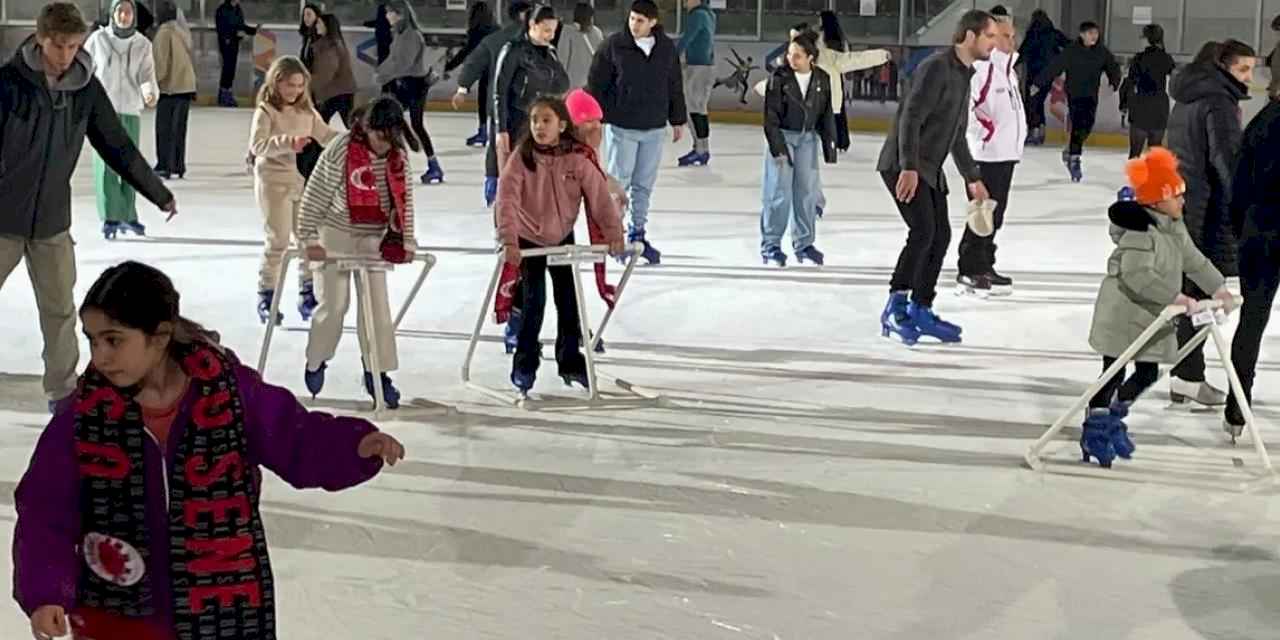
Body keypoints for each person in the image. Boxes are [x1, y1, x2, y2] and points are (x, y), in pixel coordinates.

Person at [15, 260, 405, 640]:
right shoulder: (85, 416)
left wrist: (353, 445)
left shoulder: (229, 393)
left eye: (114, 340)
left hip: (221, 604)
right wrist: (45, 591)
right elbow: (45, 508)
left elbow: (295, 436)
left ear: (160, 335)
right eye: (92, 340)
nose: (100, 357)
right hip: (117, 612)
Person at [0, 2, 174, 413]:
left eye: (73, 45)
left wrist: (156, 191)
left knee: (60, 312)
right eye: (58, 46)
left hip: (51, 223)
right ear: (41, 39)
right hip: (2, 218)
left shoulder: (85, 90)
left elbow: (116, 144)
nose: (65, 55)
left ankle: (62, 394)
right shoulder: (8, 84)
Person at [1082, 148, 1233, 467]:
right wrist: (1177, 298)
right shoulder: (1141, 231)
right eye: (1176, 196)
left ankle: (1114, 417)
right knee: (1112, 373)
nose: (1182, 202)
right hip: (1123, 316)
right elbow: (1138, 277)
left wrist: (1219, 286)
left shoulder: (1173, 226)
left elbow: (1193, 260)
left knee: (1148, 372)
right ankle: (1095, 429)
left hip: (1150, 317)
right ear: (1156, 200)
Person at [876, 10, 994, 346]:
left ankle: (920, 309)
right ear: (970, 35)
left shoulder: (963, 75)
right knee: (923, 231)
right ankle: (895, 308)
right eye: (989, 37)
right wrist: (909, 166)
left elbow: (956, 133)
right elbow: (910, 117)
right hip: (904, 163)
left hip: (928, 167)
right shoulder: (936, 68)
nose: (993, 45)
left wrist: (972, 176)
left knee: (940, 234)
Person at [495, 95, 625, 395]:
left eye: (546, 120)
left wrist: (613, 233)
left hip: (562, 240)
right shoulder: (521, 158)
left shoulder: (577, 159)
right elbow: (507, 201)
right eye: (535, 120)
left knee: (569, 304)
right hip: (529, 243)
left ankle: (570, 362)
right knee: (533, 305)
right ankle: (524, 365)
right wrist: (509, 240)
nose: (539, 126)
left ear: (562, 125)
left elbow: (600, 199)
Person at [297, 97, 419, 409]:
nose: (383, 145)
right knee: (334, 306)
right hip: (334, 234)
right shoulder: (341, 149)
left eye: (390, 137)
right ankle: (316, 359)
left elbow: (404, 204)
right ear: (367, 129)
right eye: (379, 137)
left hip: (374, 239)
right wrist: (310, 238)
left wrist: (406, 242)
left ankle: (377, 372)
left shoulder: (398, 158)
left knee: (377, 308)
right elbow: (315, 194)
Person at [1165, 38, 1255, 407]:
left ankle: (1186, 374)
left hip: (1185, 201)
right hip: (1206, 208)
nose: (1250, 77)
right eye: (1243, 69)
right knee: (1201, 293)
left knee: (1195, 292)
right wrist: (1244, 207)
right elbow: (1226, 159)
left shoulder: (1188, 96)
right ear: (1222, 66)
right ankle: (1187, 375)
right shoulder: (1219, 101)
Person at [587, 0, 687, 265]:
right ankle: (615, 238)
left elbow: (674, 83)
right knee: (620, 184)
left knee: (643, 186)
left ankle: (638, 234)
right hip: (622, 126)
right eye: (632, 18)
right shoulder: (613, 46)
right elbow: (596, 83)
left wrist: (678, 119)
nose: (634, 24)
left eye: (641, 20)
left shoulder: (666, 48)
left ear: (653, 22)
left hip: (654, 127)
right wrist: (595, 117)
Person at [249, 55, 336, 325]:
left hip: (301, 183)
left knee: (308, 239)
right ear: (277, 83)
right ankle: (267, 295)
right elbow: (257, 146)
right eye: (290, 85)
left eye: (299, 86)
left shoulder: (307, 113)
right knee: (278, 240)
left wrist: (352, 140)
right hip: (273, 183)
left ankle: (307, 292)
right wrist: (288, 142)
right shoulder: (266, 111)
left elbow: (327, 136)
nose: (295, 91)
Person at [955, 8, 1023, 297]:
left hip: (1005, 154)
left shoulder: (1008, 72)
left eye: (1012, 35)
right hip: (984, 154)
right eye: (1004, 36)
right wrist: (986, 131)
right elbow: (966, 109)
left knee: (996, 215)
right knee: (981, 215)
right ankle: (969, 268)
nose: (1011, 41)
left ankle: (985, 264)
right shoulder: (982, 70)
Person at [1224, 96, 1280, 439]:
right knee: (1252, 322)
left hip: (1258, 233)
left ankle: (1236, 408)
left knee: (1252, 321)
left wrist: (1238, 228)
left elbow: (1239, 181)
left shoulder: (1261, 122)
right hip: (1263, 231)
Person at [84, 0, 159, 240]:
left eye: (128, 11)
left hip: (130, 109)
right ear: (112, 13)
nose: (124, 16)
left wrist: (149, 91)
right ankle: (110, 215)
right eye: (120, 11)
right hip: (102, 111)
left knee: (130, 164)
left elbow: (147, 73)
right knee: (106, 165)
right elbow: (84, 68)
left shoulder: (142, 44)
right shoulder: (97, 40)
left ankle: (128, 213)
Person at [760, 31, 836, 268]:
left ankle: (804, 244)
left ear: (811, 58)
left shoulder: (822, 79)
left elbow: (826, 114)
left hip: (807, 140)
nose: (791, 59)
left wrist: (830, 145)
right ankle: (771, 246)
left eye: (798, 56)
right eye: (790, 54)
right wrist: (778, 148)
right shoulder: (779, 78)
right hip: (782, 137)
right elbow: (769, 116)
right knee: (778, 193)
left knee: (806, 193)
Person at [452, 2, 533, 207]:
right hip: (527, 106)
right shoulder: (533, 40)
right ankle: (524, 187)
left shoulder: (494, 39)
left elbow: (473, 63)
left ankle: (493, 183)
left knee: (496, 145)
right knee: (526, 146)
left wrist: (463, 89)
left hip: (498, 105)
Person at [1032, 21, 1121, 182]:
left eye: (1095, 33)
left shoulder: (1102, 52)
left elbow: (1113, 67)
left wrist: (1114, 82)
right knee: (1079, 125)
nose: (1093, 36)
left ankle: (1070, 151)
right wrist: (1038, 84)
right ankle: (1074, 158)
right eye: (1090, 33)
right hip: (1075, 94)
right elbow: (1054, 67)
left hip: (1091, 95)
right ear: (1082, 34)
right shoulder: (1071, 51)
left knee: (1087, 125)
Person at [493, 5, 570, 170]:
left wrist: (552, 60)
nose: (551, 36)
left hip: (541, 122)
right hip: (517, 120)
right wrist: (501, 129)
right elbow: (500, 92)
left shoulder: (549, 53)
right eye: (546, 30)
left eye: (554, 31)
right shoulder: (513, 50)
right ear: (533, 25)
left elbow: (563, 84)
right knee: (516, 172)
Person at [376, 0, 443, 185]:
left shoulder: (412, 36)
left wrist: (384, 76)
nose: (387, 16)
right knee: (391, 119)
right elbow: (392, 59)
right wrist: (381, 71)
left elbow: (404, 64)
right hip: (404, 83)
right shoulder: (399, 34)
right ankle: (397, 162)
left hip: (415, 84)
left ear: (401, 14)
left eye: (390, 13)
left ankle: (433, 165)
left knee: (415, 123)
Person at [443, 1, 499, 146]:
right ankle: (490, 132)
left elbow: (466, 52)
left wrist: (449, 66)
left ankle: (483, 131)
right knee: (497, 102)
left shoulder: (477, 32)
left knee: (483, 101)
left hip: (485, 70)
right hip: (500, 69)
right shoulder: (497, 29)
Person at [152, 0, 195, 181]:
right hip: (186, 86)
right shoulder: (181, 32)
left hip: (170, 87)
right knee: (179, 129)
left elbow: (160, 64)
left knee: (165, 128)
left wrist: (153, 85)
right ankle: (178, 164)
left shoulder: (163, 34)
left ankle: (164, 165)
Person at [1119, 24, 1175, 158]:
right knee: (1155, 151)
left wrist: (1124, 104)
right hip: (1159, 106)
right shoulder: (1166, 58)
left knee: (1135, 153)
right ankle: (1154, 178)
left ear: (1147, 39)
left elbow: (1129, 82)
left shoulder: (1139, 58)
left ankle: (1135, 178)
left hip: (1141, 106)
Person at [1018, 9, 1068, 145]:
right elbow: (1070, 45)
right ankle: (1040, 130)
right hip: (1048, 75)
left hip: (1034, 76)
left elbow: (1022, 52)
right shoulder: (1054, 34)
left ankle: (1035, 130)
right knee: (1038, 102)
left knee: (1032, 102)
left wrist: (1009, 65)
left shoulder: (1032, 35)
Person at [675, 0, 716, 166]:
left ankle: (701, 149)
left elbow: (687, 38)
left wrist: (674, 56)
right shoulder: (708, 14)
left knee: (695, 109)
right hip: (703, 65)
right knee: (697, 108)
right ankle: (701, 148)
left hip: (699, 67)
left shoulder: (698, 15)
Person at [310, 13, 357, 128]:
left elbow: (326, 74)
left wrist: (307, 86)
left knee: (319, 126)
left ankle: (315, 146)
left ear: (327, 25)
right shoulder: (332, 43)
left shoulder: (330, 46)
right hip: (341, 91)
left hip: (336, 93)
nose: (316, 26)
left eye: (319, 23)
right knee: (350, 125)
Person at [214, 0, 257, 107]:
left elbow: (241, 25)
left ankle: (227, 92)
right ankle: (224, 94)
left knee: (231, 68)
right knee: (227, 68)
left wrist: (253, 30)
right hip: (227, 43)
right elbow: (222, 28)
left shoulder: (237, 9)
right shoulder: (222, 9)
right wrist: (233, 34)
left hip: (235, 43)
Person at [557, 2, 597, 89]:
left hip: (573, 85)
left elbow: (562, 59)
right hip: (592, 83)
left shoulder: (567, 31)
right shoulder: (597, 32)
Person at [364, 2, 393, 68]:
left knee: (383, 57)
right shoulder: (384, 10)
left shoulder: (383, 9)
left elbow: (379, 22)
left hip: (383, 38)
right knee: (384, 57)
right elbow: (380, 22)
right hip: (384, 38)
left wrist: (366, 24)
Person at [298, 2, 321, 70]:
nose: (305, 18)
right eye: (304, 15)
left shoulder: (320, 37)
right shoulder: (307, 36)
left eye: (309, 15)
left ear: (317, 16)